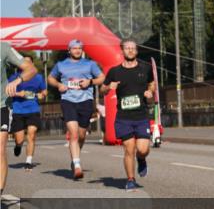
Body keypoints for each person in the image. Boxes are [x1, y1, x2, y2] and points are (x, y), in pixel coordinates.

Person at [101, 39, 155, 191]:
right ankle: (130, 179)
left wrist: (150, 91)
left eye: (133, 48)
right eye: (127, 48)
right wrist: (108, 88)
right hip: (123, 117)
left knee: (143, 149)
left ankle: (141, 159)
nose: (130, 50)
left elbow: (152, 83)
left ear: (137, 51)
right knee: (128, 148)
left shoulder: (145, 68)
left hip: (141, 116)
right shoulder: (114, 71)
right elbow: (102, 90)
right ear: (122, 51)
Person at [48, 39, 104, 180]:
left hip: (85, 100)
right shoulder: (61, 65)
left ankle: (75, 157)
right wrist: (59, 85)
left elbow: (102, 77)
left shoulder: (90, 64)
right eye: (74, 48)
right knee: (73, 133)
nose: (77, 50)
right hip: (68, 100)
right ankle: (77, 165)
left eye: (80, 48)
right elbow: (50, 78)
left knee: (81, 135)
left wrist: (90, 82)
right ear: (69, 50)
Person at [1, 41, 39, 209]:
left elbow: (31, 69)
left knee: (0, 150)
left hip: (1, 106)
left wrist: (18, 80)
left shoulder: (3, 48)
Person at [8, 70, 47, 170]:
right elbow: (6, 91)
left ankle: (28, 161)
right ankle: (18, 145)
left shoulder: (38, 77)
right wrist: (18, 94)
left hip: (33, 109)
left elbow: (44, 92)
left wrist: (41, 95)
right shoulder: (14, 77)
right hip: (18, 110)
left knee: (32, 134)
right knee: (19, 139)